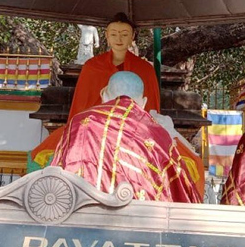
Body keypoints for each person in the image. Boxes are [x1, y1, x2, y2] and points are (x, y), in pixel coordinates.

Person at [31, 13, 161, 166]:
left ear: (133, 36)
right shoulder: (92, 67)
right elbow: (81, 106)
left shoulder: (145, 69)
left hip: (134, 131)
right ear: (106, 35)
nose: (119, 39)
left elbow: (151, 107)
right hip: (95, 129)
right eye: (113, 34)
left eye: (124, 34)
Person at [51, 72, 200, 203]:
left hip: (81, 211)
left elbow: (60, 172)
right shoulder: (156, 133)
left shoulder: (81, 122)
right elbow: (178, 187)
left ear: (104, 96)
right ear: (143, 102)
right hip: (141, 217)